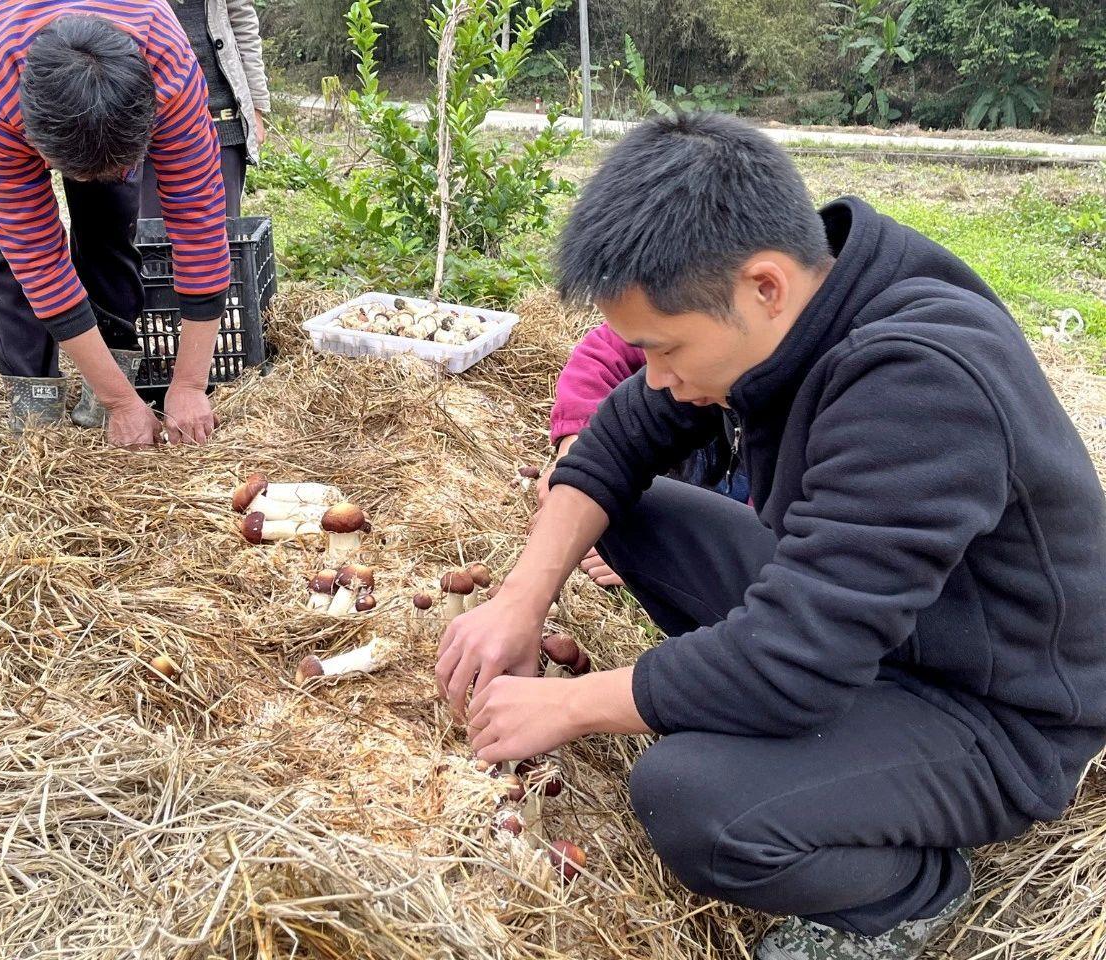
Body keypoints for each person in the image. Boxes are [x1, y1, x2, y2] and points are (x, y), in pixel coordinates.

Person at [437, 113, 1106, 960]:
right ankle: (800, 750)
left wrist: (569, 706)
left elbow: (794, 660)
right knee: (634, 510)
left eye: (665, 348)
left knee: (694, 800)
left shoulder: (919, 379)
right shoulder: (793, 302)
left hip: (995, 708)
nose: (658, 376)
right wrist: (519, 603)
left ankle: (913, 895)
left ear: (764, 286)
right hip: (878, 629)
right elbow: (614, 444)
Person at [0, 0, 230, 446]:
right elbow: (33, 250)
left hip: (108, 47)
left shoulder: (166, 63)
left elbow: (199, 215)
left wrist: (190, 384)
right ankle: (35, 392)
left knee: (111, 207)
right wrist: (121, 404)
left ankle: (115, 358)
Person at [541, 323, 749, 588]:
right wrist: (576, 450)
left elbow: (784, 555)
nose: (654, 380)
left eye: (672, 353)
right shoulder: (674, 309)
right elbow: (602, 353)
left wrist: (667, 564)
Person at [139, 0, 270, 220]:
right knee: (152, 239)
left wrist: (256, 106)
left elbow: (243, 23)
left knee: (222, 234)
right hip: (150, 123)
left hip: (222, 121)